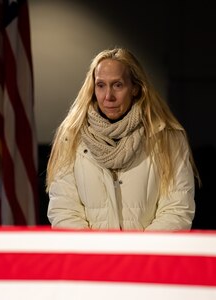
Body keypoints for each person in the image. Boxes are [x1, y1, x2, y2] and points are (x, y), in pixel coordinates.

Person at [46, 48, 199, 230]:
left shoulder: (167, 137)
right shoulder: (70, 138)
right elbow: (64, 210)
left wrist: (136, 254)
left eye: (117, 85)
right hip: (92, 256)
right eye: (101, 85)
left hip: (146, 256)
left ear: (135, 88)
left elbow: (177, 209)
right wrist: (99, 255)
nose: (108, 96)